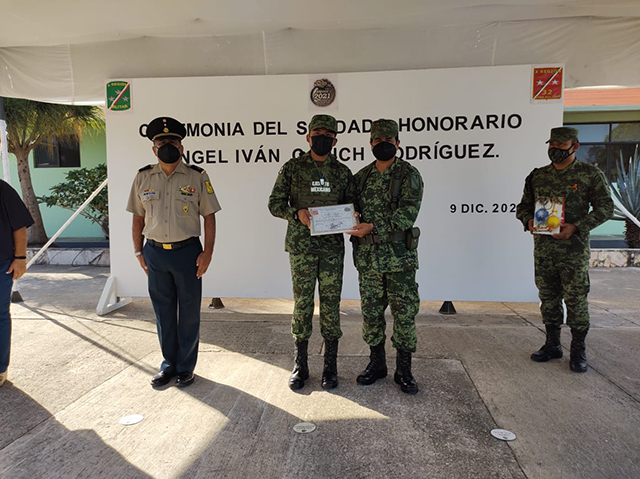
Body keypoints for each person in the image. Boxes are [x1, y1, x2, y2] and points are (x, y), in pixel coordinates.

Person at [127, 117, 221, 388]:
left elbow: (210, 217)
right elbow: (137, 217)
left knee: (189, 312)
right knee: (163, 312)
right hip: (155, 252)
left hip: (187, 252)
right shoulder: (143, 177)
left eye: (172, 141)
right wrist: (138, 251)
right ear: (154, 148)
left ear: (181, 147)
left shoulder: (197, 176)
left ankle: (186, 367)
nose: (167, 145)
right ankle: (168, 364)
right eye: (161, 142)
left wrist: (208, 252)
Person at [268, 114, 355, 390]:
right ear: (307, 137)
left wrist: (349, 219)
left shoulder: (342, 173)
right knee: (302, 305)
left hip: (331, 251)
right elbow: (274, 203)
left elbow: (351, 208)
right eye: (317, 132)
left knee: (331, 307)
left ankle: (330, 367)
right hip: (301, 249)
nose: (322, 138)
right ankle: (301, 364)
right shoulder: (292, 168)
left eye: (327, 134)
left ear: (335, 140)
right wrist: (296, 213)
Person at [516, 127, 613, 373]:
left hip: (573, 251)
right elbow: (523, 207)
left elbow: (605, 208)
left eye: (561, 145)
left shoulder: (590, 175)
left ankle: (578, 350)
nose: (555, 150)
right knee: (548, 299)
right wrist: (528, 221)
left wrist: (577, 227)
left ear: (575, 146)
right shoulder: (538, 176)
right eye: (552, 144)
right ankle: (552, 345)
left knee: (576, 300)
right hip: (545, 251)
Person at [347, 119, 424, 395]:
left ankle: (404, 370)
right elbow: (350, 208)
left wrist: (373, 226)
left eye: (389, 142)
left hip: (399, 260)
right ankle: (377, 364)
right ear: (370, 144)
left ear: (398, 144)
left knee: (404, 314)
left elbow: (407, 214)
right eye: (378, 142)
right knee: (371, 314)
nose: (383, 146)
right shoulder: (362, 177)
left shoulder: (408, 174)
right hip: (368, 260)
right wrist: (350, 218)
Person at [0, 179, 34, 387]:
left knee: (0, 315)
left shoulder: (2, 189)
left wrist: (20, 258)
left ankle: (0, 368)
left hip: (1, 263)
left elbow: (19, 225)